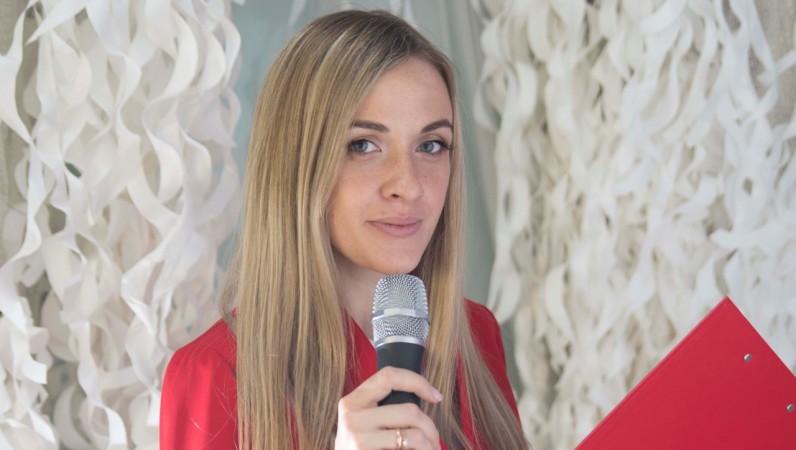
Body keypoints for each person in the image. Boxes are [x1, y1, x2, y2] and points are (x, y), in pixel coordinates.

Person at [160, 9, 529, 450]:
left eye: (431, 145)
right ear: (298, 165)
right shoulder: (215, 372)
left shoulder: (475, 335)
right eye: (363, 145)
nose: (409, 185)